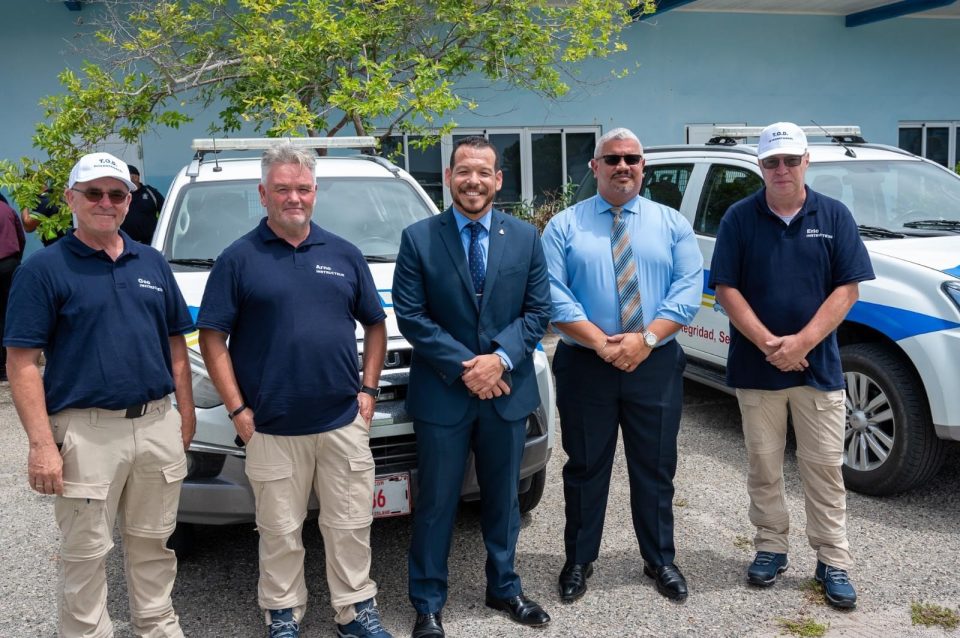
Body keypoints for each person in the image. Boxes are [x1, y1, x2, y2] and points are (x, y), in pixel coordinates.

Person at [197, 142, 391, 638]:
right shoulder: (237, 259)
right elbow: (213, 338)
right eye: (282, 189)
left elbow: (375, 325)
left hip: (342, 422)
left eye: (302, 188)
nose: (293, 198)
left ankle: (355, 611)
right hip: (271, 426)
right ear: (263, 194)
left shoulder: (344, 254)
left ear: (315, 192)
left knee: (349, 527)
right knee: (280, 532)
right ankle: (283, 613)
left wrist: (368, 390)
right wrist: (237, 408)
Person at [3, 152, 196, 637]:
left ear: (129, 201)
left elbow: (176, 343)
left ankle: (157, 627)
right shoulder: (44, 270)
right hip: (86, 433)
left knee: (154, 545)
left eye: (116, 194)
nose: (105, 203)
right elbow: (22, 363)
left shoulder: (151, 260)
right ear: (70, 199)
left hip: (156, 424)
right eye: (93, 193)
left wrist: (184, 415)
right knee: (86, 556)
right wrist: (42, 445)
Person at [710, 122, 874, 609]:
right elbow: (725, 289)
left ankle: (833, 560)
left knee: (824, 468)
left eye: (790, 160)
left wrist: (801, 342)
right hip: (757, 369)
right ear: (760, 167)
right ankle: (771, 548)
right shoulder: (738, 218)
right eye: (771, 162)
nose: (781, 170)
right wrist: (769, 344)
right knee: (763, 467)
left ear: (807, 162)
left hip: (817, 367)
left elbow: (847, 288)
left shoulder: (835, 215)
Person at [393, 136, 552, 637]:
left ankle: (504, 587)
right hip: (445, 395)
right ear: (448, 177)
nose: (474, 181)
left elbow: (538, 311)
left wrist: (499, 360)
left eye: (484, 172)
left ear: (498, 180)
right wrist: (472, 367)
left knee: (504, 499)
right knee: (437, 501)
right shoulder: (419, 238)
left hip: (506, 394)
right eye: (464, 171)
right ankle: (428, 602)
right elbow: (412, 318)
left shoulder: (525, 238)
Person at [541, 127, 703, 604]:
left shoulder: (672, 223)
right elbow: (552, 292)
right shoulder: (564, 226)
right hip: (585, 364)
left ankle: (660, 559)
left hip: (653, 361)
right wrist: (603, 344)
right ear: (595, 167)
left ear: (643, 166)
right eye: (611, 159)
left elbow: (687, 289)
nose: (622, 166)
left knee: (654, 466)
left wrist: (645, 340)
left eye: (632, 158)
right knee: (586, 466)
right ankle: (578, 559)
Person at [0, 194, 25, 381]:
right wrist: (17, 261)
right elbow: (21, 237)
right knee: (8, 314)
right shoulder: (8, 210)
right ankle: (7, 366)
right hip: (9, 265)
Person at [122, 164, 165, 244]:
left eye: (126, 176)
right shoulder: (121, 195)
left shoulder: (151, 193)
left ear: (136, 177)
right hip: (126, 242)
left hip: (150, 242)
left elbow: (165, 212)